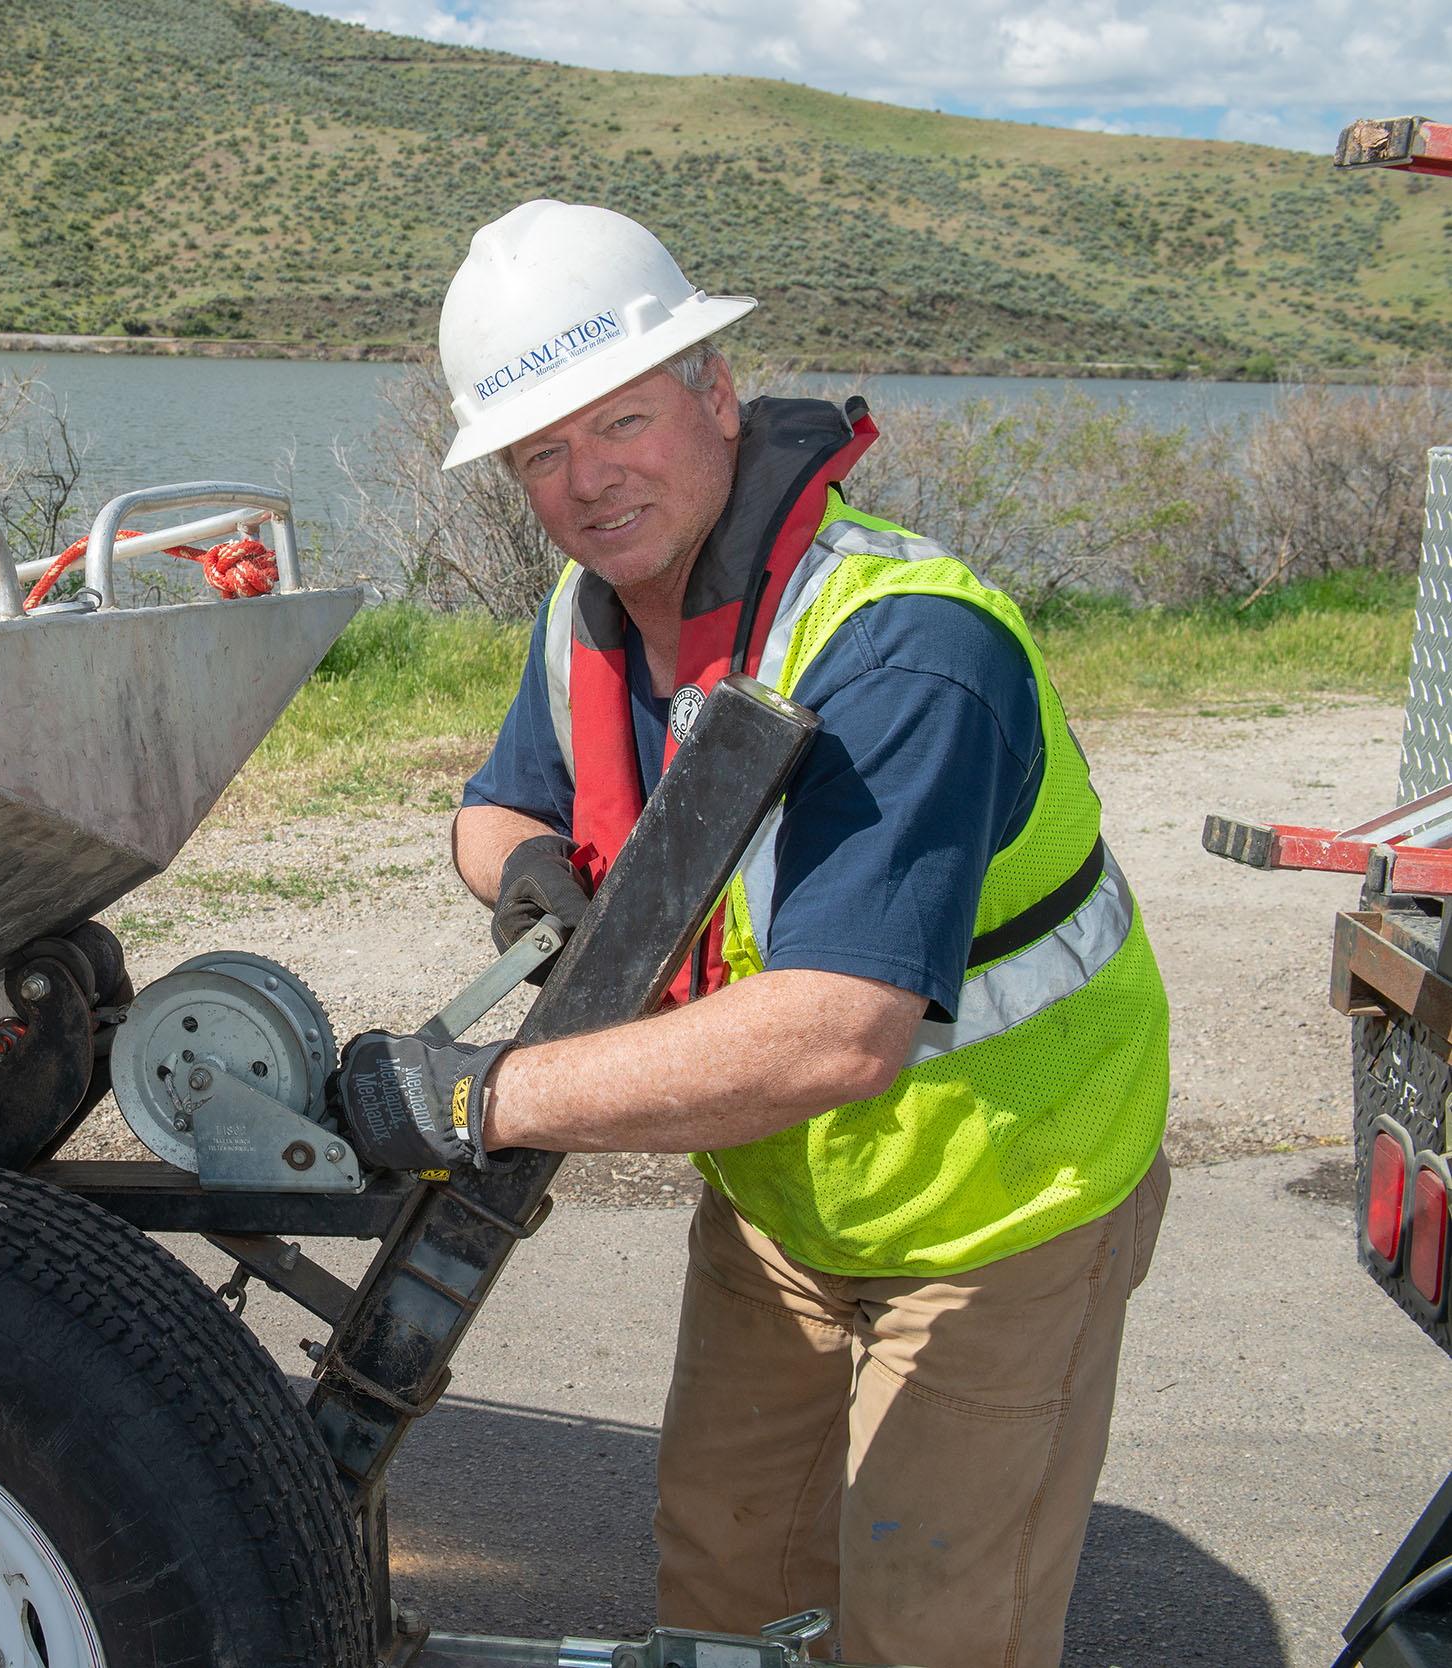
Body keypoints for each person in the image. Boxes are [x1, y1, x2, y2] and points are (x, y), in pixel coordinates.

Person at [332, 200, 1171, 1668]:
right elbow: (491, 805)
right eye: (541, 452)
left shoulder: (910, 650)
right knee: (723, 1596)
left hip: (1005, 1202)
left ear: (715, 394)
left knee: (925, 1629)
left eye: (622, 423)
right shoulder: (594, 617)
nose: (588, 481)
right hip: (781, 1199)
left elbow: (836, 1031)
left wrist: (474, 1097)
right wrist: (534, 867)